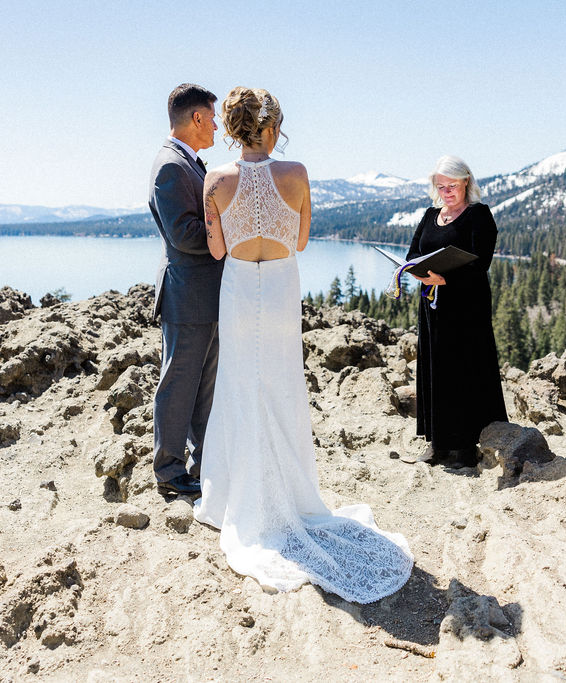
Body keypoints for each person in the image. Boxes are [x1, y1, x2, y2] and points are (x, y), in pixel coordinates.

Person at [194, 87, 413, 604]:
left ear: (231, 127)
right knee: (283, 384)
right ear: (273, 126)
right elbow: (301, 241)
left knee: (240, 384)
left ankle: (235, 495)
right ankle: (291, 493)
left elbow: (216, 247)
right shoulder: (296, 173)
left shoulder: (216, 180)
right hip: (283, 287)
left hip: (241, 287)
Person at [406, 155, 508, 469]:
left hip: (467, 307)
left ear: (466, 181)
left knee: (464, 371)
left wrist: (446, 278)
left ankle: (466, 447)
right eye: (441, 186)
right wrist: (419, 272)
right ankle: (437, 444)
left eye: (453, 185)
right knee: (436, 370)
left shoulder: (479, 215)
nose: (447, 191)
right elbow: (413, 253)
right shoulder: (429, 215)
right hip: (433, 306)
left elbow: (481, 263)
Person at [148, 83, 223, 497]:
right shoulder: (170, 166)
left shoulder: (190, 163)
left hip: (205, 297)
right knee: (178, 385)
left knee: (203, 388)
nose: (216, 126)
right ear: (196, 118)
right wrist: (234, 229)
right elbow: (185, 235)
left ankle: (200, 465)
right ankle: (170, 471)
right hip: (187, 296)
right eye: (211, 118)